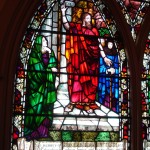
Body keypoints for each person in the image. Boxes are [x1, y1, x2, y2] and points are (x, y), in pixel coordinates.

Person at [61, 4, 112, 113]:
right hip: (79, 61)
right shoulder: (77, 29)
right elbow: (67, 27)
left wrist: (104, 57)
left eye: (90, 18)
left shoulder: (94, 31)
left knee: (90, 84)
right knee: (77, 82)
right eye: (88, 18)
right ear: (84, 19)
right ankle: (73, 103)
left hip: (92, 62)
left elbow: (98, 45)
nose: (90, 20)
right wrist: (63, 13)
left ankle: (88, 103)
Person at [24, 35, 58, 140]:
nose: (45, 41)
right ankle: (32, 132)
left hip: (48, 88)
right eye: (43, 40)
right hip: (36, 89)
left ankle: (44, 133)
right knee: (35, 109)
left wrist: (51, 53)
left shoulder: (49, 53)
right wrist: (49, 71)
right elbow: (36, 74)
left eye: (46, 40)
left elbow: (53, 65)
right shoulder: (34, 56)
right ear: (38, 43)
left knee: (46, 110)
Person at [98, 39, 119, 113]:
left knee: (113, 96)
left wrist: (115, 70)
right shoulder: (103, 56)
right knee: (103, 95)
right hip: (104, 80)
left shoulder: (116, 55)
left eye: (112, 44)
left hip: (113, 80)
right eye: (109, 43)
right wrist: (106, 71)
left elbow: (118, 67)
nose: (110, 45)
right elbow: (99, 68)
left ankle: (113, 111)